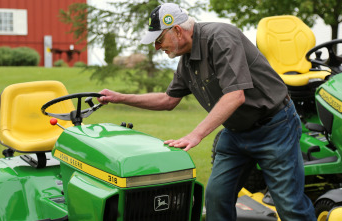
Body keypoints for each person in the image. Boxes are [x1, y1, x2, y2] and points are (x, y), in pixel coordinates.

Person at [98, 3, 316, 221]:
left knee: (290, 206)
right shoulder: (186, 61)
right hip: (236, 133)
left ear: (176, 30)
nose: (157, 47)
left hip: (275, 128)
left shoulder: (220, 38)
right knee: (216, 197)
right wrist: (120, 97)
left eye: (159, 39)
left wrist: (196, 134)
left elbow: (235, 95)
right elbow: (168, 99)